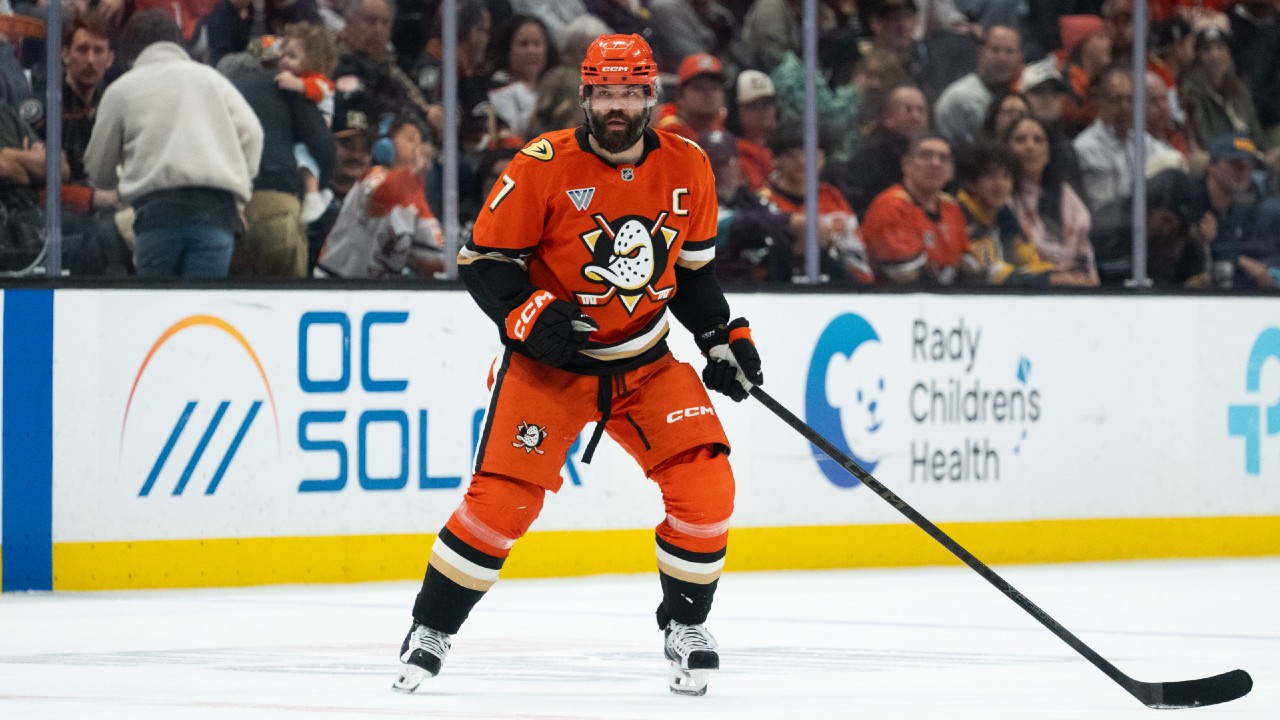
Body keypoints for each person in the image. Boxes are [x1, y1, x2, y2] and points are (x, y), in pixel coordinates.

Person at [394, 33, 764, 699]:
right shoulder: (541, 164)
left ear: (651, 96)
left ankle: (686, 625)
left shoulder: (689, 164)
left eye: (630, 93)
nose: (617, 105)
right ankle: (431, 628)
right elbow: (483, 262)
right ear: (586, 96)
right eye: (604, 92)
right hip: (550, 368)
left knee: (708, 484)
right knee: (502, 503)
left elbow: (691, 275)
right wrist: (529, 313)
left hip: (646, 363)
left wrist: (720, 337)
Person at [84, 9, 263, 279]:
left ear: (130, 50)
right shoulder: (213, 79)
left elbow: (98, 170)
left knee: (158, 305)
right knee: (202, 304)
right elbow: (253, 134)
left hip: (156, 217)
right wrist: (239, 188)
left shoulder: (120, 90)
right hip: (216, 214)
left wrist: (119, 176)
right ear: (178, 43)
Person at [313, 110, 443, 278]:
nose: (417, 151)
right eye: (411, 140)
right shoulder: (373, 178)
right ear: (385, 144)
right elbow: (381, 197)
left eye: (423, 149)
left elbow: (438, 257)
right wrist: (411, 176)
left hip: (380, 290)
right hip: (333, 285)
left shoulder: (415, 201)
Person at [860, 133, 973, 285]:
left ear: (951, 170)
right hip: (895, 297)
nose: (935, 163)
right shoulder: (890, 206)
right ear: (906, 164)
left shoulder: (951, 207)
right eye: (926, 155)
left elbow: (967, 267)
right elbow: (905, 278)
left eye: (943, 158)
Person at [1005, 115, 1099, 284]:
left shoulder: (1066, 196)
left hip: (1071, 289)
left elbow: (1085, 258)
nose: (1030, 146)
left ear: (1049, 152)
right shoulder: (1001, 197)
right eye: (1020, 140)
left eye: (1038, 140)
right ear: (1006, 149)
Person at [274, 21, 340, 224]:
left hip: (318, 128)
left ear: (313, 59)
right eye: (283, 55)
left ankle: (312, 196)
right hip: (302, 130)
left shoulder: (320, 81)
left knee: (303, 156)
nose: (285, 60)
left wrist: (296, 84)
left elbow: (317, 91)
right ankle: (321, 193)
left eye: (292, 56)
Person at [932, 24, 1023, 150]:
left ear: (1020, 57)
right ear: (981, 53)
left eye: (1009, 51)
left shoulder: (1023, 93)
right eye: (995, 50)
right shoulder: (960, 98)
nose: (1002, 58)